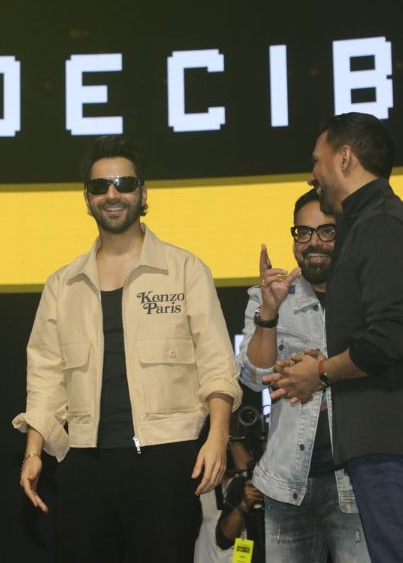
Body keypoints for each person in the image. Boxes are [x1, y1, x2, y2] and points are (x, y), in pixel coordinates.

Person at [12, 136, 241, 563]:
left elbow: (216, 363)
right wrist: (33, 451)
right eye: (100, 186)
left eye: (124, 183)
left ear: (143, 193)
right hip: (84, 462)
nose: (112, 194)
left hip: (167, 459)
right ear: (87, 199)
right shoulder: (62, 285)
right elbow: (45, 377)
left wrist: (218, 437)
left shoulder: (186, 270)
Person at [265, 113, 403, 562]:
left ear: (345, 158)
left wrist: (320, 373)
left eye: (317, 161)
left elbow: (388, 339)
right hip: (390, 440)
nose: (312, 175)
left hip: (392, 442)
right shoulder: (373, 223)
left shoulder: (381, 224)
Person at [237, 189, 370, 562]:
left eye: (326, 232)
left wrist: (323, 370)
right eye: (303, 232)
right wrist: (269, 311)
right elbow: (253, 376)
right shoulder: (270, 296)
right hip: (285, 485)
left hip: (354, 482)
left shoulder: (368, 295)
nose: (314, 242)